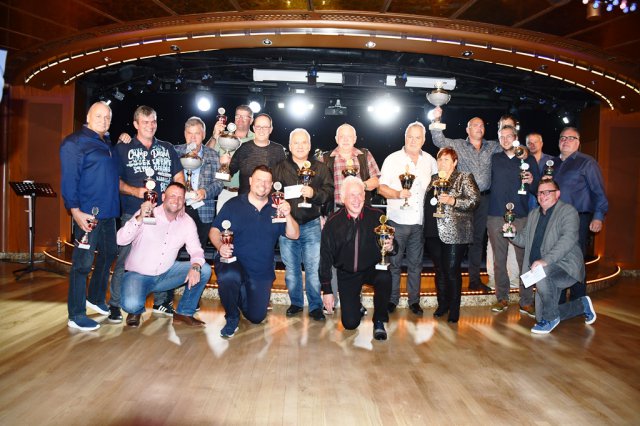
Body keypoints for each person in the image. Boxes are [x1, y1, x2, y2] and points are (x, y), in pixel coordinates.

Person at [109, 106, 184, 323]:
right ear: (135, 124)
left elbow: (179, 177)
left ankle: (161, 301)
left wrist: (178, 204)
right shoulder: (122, 148)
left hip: (163, 216)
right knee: (124, 260)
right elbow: (114, 181)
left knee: (164, 258)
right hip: (134, 213)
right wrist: (135, 191)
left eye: (153, 121)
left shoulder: (167, 148)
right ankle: (115, 304)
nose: (150, 126)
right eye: (145, 122)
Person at [210, 165, 300, 338]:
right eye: (259, 180)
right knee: (229, 277)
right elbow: (214, 230)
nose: (263, 184)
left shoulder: (277, 208)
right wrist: (220, 246)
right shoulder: (233, 204)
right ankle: (232, 317)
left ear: (272, 185)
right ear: (250, 181)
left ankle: (239, 293)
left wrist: (288, 214)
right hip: (233, 262)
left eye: (267, 182)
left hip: (260, 270)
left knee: (256, 317)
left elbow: (294, 234)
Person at [60, 101, 120, 331]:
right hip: (87, 215)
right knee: (82, 264)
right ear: (88, 116)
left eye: (107, 117)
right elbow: (69, 179)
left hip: (108, 213)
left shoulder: (105, 142)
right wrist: (74, 210)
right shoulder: (74, 142)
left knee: (109, 253)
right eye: (99, 116)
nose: (104, 121)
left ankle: (95, 297)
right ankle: (75, 314)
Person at [507, 179, 596, 334]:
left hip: (565, 266)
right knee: (540, 315)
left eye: (548, 192)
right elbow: (524, 240)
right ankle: (581, 305)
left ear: (558, 194)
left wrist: (545, 260)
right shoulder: (533, 214)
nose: (543, 196)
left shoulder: (568, 211)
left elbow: (568, 240)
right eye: (540, 193)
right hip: (543, 269)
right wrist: (512, 234)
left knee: (542, 276)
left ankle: (550, 319)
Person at [117, 182, 211, 327]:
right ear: (163, 197)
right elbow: (121, 240)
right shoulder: (147, 213)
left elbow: (196, 250)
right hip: (138, 275)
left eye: (180, 197)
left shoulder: (187, 222)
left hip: (165, 275)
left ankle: (184, 313)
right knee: (131, 304)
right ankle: (135, 310)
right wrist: (139, 217)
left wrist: (196, 266)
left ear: (184, 201)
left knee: (204, 269)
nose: (176, 200)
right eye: (172, 195)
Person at [430, 107, 501, 292]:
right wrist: (436, 120)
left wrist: (521, 149)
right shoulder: (458, 145)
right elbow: (438, 140)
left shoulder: (493, 146)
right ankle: (453, 276)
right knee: (459, 239)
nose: (479, 128)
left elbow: (512, 147)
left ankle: (474, 280)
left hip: (483, 200)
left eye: (482, 125)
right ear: (467, 130)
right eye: (475, 125)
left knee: (477, 240)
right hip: (461, 200)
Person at [319, 176, 396, 340]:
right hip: (347, 274)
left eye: (359, 194)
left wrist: (390, 246)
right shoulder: (332, 223)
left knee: (385, 277)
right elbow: (325, 258)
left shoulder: (377, 216)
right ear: (343, 198)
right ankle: (357, 307)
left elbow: (393, 244)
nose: (356, 199)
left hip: (371, 268)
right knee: (350, 323)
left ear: (364, 196)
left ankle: (379, 320)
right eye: (351, 195)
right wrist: (327, 290)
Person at [273, 129, 334, 321]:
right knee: (291, 269)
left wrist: (314, 193)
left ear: (309, 145)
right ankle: (296, 303)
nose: (300, 146)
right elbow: (273, 192)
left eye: (304, 142)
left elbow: (330, 191)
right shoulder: (279, 167)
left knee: (313, 268)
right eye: (296, 142)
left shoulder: (321, 168)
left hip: (311, 224)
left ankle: (315, 306)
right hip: (287, 225)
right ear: (290, 146)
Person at [377, 121, 437, 315]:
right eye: (410, 136)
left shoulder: (430, 161)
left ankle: (414, 301)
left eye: (417, 137)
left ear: (424, 140)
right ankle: (392, 299)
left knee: (416, 265)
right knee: (393, 264)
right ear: (405, 137)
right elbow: (381, 188)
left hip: (419, 222)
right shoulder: (392, 159)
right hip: (396, 220)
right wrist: (397, 194)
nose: (413, 140)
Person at [487, 125, 539, 316]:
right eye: (502, 137)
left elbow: (537, 187)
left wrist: (532, 180)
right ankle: (502, 298)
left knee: (524, 260)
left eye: (509, 136)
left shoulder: (527, 159)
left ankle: (526, 301)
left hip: (521, 216)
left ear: (516, 138)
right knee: (499, 261)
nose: (506, 140)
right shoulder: (494, 159)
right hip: (495, 216)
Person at [424, 147, 480, 323]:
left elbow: (475, 201)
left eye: (446, 159)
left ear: (455, 162)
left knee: (451, 271)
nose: (442, 163)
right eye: (440, 159)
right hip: (433, 231)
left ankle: (454, 309)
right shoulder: (434, 179)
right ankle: (443, 305)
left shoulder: (464, 177)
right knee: (439, 270)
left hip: (456, 232)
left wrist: (453, 200)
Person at [553, 127, 608, 302]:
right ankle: (559, 302)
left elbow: (598, 191)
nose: (566, 141)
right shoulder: (552, 163)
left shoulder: (587, 162)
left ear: (578, 142)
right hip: (554, 218)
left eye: (571, 138)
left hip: (578, 218)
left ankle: (579, 301)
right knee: (557, 258)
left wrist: (598, 216)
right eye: (563, 138)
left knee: (575, 260)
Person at [174, 116, 223, 246]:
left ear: (204, 135)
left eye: (197, 133)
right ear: (185, 134)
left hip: (204, 208)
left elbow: (219, 183)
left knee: (198, 250)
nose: (193, 138)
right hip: (178, 207)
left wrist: (204, 192)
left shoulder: (213, 155)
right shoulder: (175, 152)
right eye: (189, 133)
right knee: (173, 250)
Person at [320, 123, 380, 212]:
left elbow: (376, 181)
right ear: (336, 139)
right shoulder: (324, 158)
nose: (346, 140)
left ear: (355, 139)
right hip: (335, 210)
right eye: (342, 136)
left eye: (349, 136)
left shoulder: (365, 155)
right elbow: (319, 187)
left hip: (361, 209)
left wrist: (361, 185)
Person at [206, 105, 255, 212]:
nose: (240, 119)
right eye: (238, 116)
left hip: (248, 194)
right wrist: (214, 136)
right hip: (224, 192)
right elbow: (206, 154)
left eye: (244, 117)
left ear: (251, 120)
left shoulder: (256, 139)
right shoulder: (223, 136)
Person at [222, 113, 286, 194]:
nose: (261, 130)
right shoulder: (243, 148)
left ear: (270, 129)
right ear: (254, 128)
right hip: (244, 200)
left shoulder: (278, 150)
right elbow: (227, 176)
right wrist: (223, 165)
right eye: (258, 126)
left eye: (265, 127)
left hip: (269, 200)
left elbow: (284, 178)